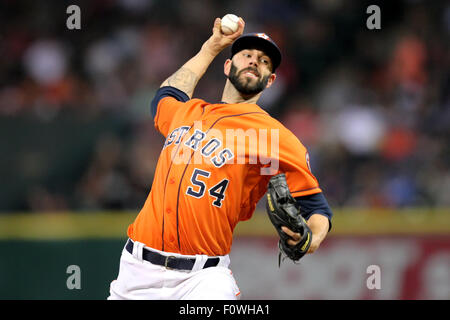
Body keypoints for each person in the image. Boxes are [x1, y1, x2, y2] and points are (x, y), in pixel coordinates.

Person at [108, 17, 332, 300]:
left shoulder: (274, 137)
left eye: (264, 61)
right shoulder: (188, 113)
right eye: (247, 55)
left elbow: (318, 209)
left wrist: (311, 239)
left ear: (271, 79)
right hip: (135, 269)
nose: (254, 61)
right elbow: (167, 94)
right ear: (228, 66)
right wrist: (211, 47)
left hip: (202, 278)